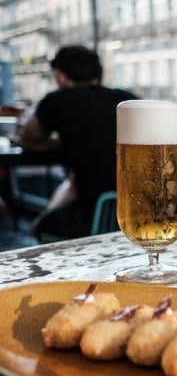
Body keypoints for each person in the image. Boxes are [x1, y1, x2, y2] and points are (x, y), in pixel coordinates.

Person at [14, 45, 139, 239]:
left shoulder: (57, 100)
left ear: (61, 75)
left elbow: (28, 140)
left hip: (93, 218)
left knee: (40, 225)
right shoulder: (128, 98)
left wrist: (65, 141)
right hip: (140, 211)